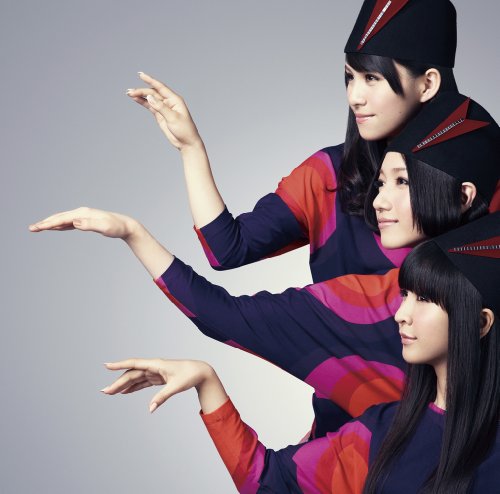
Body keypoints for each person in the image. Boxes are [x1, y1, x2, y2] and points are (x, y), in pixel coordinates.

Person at [29, 92, 500, 440]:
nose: (379, 201)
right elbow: (226, 263)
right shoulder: (363, 294)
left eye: (402, 183)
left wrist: (134, 232)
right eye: (380, 183)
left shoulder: (377, 302)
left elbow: (223, 310)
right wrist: (139, 223)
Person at [101, 212, 500, 493]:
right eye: (405, 294)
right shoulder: (385, 431)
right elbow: (268, 482)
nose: (401, 314)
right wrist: (207, 383)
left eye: (425, 299)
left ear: (481, 323)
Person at [125, 0, 460, 284]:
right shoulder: (330, 176)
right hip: (336, 346)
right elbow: (226, 250)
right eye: (350, 77)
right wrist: (191, 148)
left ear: (427, 84)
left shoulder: (476, 180)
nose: (354, 97)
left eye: (372, 78)